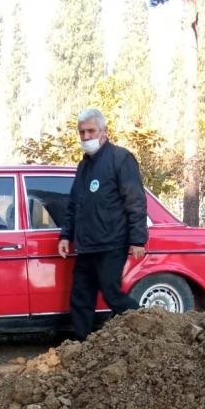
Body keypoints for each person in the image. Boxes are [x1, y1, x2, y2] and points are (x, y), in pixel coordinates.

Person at [58, 108, 148, 341]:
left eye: (91, 131)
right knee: (80, 297)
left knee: (112, 295)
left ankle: (149, 329)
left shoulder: (121, 159)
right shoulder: (84, 166)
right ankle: (81, 344)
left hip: (112, 243)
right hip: (86, 246)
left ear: (104, 132)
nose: (86, 137)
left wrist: (138, 239)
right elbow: (74, 204)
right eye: (82, 132)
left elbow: (135, 200)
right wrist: (66, 236)